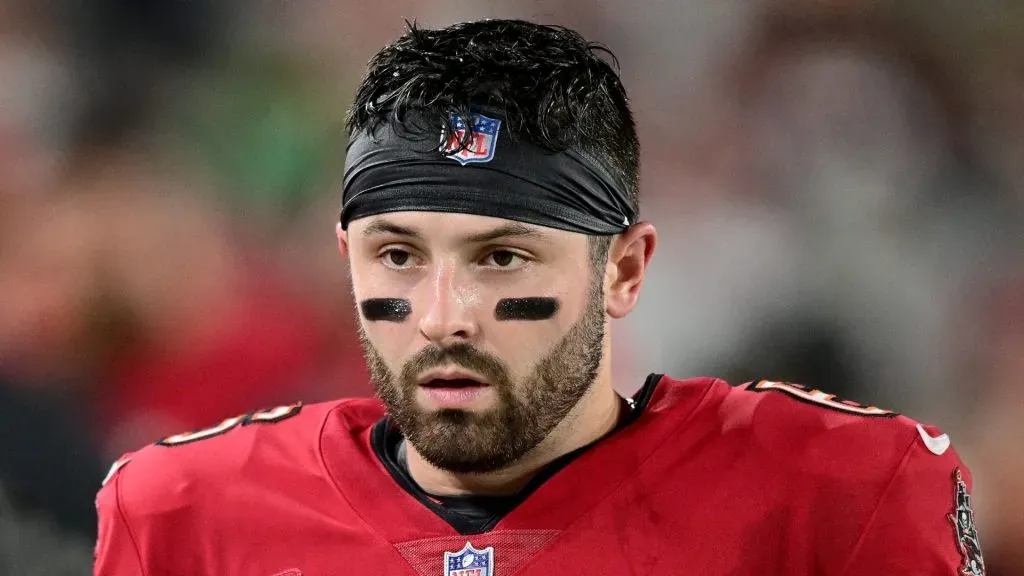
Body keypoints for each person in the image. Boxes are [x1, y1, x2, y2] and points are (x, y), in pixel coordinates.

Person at [94, 19, 985, 575]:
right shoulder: (184, 516)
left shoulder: (839, 494)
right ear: (345, 259)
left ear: (624, 272)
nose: (444, 314)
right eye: (398, 254)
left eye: (504, 258)